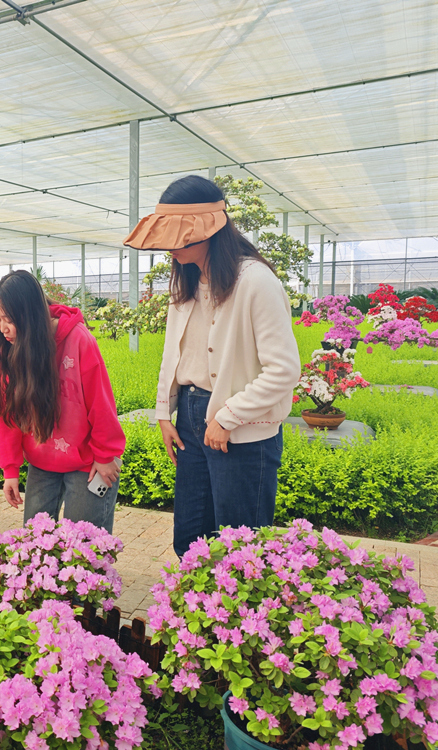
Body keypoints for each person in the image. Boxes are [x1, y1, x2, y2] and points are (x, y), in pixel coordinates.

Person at [123, 174, 300, 557]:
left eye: (177, 236)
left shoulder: (255, 281)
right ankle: (193, 613)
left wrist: (227, 416)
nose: (169, 247)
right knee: (189, 539)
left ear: (207, 231)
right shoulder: (186, 281)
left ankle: (241, 619)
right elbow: (175, 354)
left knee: (241, 549)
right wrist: (164, 413)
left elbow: (284, 370)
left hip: (240, 428)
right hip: (189, 415)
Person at [0, 269, 125, 534]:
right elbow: (7, 414)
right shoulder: (9, 348)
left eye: (9, 320)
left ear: (32, 315)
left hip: (87, 462)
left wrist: (106, 455)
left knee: (84, 545)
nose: (3, 329)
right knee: (34, 541)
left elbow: (101, 403)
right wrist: (10, 469)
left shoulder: (79, 341)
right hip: (42, 462)